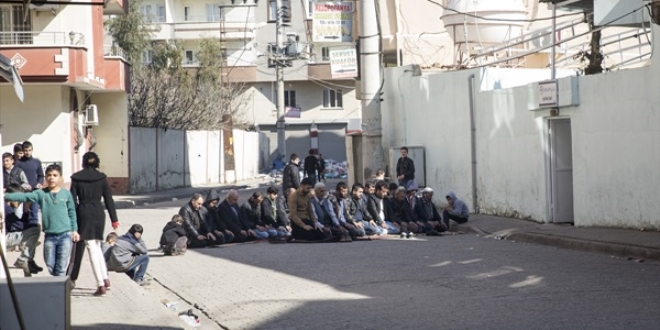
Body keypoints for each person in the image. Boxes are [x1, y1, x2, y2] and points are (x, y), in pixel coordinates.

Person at [5, 164, 80, 276]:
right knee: (50, 264)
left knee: (61, 267)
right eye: (49, 175)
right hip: (50, 236)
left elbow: (72, 212)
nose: (51, 178)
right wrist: (6, 196)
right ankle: (57, 282)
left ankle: (59, 287)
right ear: (45, 178)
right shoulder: (41, 193)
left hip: (65, 235)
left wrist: (74, 230)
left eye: (55, 175)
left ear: (60, 178)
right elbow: (24, 197)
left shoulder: (66, 194)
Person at [69, 152, 119, 296]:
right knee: (96, 246)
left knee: (91, 248)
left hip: (83, 213)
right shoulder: (102, 178)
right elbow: (109, 199)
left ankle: (100, 285)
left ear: (83, 162)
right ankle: (105, 279)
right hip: (98, 213)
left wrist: (72, 219)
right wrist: (114, 219)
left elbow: (72, 201)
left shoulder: (76, 178)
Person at [4, 184, 40, 276]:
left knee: (33, 231)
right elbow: (20, 226)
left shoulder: (7, 206)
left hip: (6, 236)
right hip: (3, 239)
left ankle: (27, 261)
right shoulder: (6, 208)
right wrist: (26, 212)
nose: (21, 202)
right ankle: (24, 260)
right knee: (35, 230)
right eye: (19, 199)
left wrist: (26, 210)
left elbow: (19, 224)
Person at [288, 178, 328, 242]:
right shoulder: (294, 197)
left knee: (321, 236)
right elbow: (293, 215)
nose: (309, 190)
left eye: (310, 188)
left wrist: (314, 222)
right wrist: (304, 226)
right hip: (297, 223)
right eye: (307, 188)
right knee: (311, 237)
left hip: (306, 220)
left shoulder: (307, 196)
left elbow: (310, 211)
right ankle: (295, 236)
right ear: (302, 186)